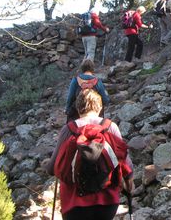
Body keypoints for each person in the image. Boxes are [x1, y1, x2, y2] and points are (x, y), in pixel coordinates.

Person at [44, 89, 134, 220]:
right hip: (107, 202)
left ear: (78, 108)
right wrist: (129, 183)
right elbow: (125, 161)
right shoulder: (110, 127)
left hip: (74, 204)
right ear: (100, 107)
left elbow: (52, 168)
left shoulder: (68, 130)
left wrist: (46, 165)